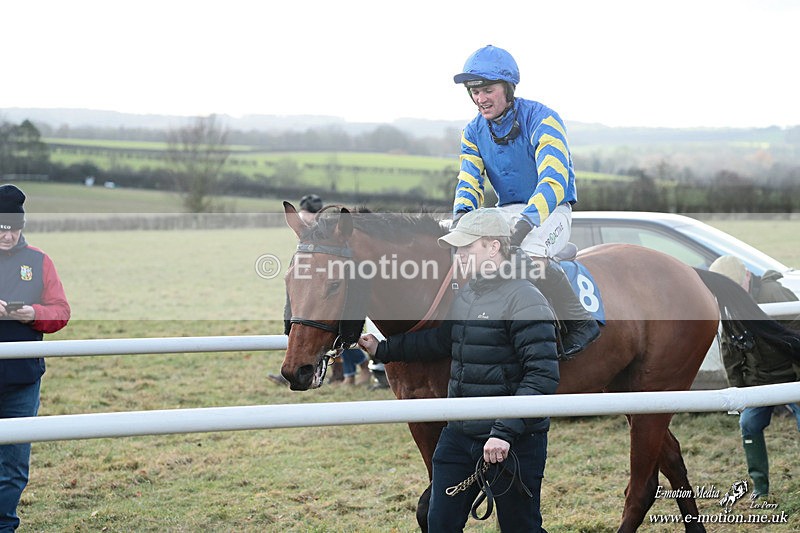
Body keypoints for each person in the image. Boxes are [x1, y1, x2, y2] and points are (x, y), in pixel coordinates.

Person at [359, 208, 559, 532]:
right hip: (459, 435)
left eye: (468, 247)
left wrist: (504, 433)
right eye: (458, 248)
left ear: (494, 247)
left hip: (513, 442)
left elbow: (542, 375)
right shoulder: (467, 292)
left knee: (521, 527)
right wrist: (383, 349)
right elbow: (442, 340)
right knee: (438, 523)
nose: (459, 255)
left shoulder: (526, 299)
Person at [450, 44, 599, 358]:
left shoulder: (543, 118)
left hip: (551, 210)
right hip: (507, 211)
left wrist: (528, 221)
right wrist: (461, 219)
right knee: (465, 250)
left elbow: (554, 180)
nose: (480, 99)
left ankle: (580, 322)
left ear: (507, 88)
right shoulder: (473, 132)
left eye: (487, 90)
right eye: (474, 92)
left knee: (529, 251)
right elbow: (468, 181)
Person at [0, 184, 71, 531]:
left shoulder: (40, 261)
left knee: (13, 467)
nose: (7, 235)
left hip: (22, 382)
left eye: (13, 227)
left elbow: (61, 312)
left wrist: (32, 313)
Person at [709, 255, 800, 499]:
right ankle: (760, 486)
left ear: (747, 276)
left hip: (792, 378)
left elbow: (798, 336)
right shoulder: (728, 305)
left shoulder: (774, 295)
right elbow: (730, 350)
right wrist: (739, 394)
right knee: (748, 424)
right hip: (758, 381)